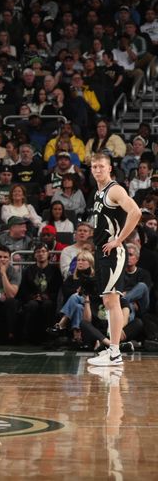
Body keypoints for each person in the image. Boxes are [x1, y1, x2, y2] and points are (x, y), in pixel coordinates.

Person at [86, 152, 141, 367]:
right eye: (94, 167)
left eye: (101, 166)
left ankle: (115, 353)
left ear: (109, 168)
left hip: (113, 252)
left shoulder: (115, 189)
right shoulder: (98, 191)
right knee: (108, 302)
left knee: (112, 301)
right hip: (102, 251)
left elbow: (135, 212)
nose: (97, 170)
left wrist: (119, 240)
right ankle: (112, 350)